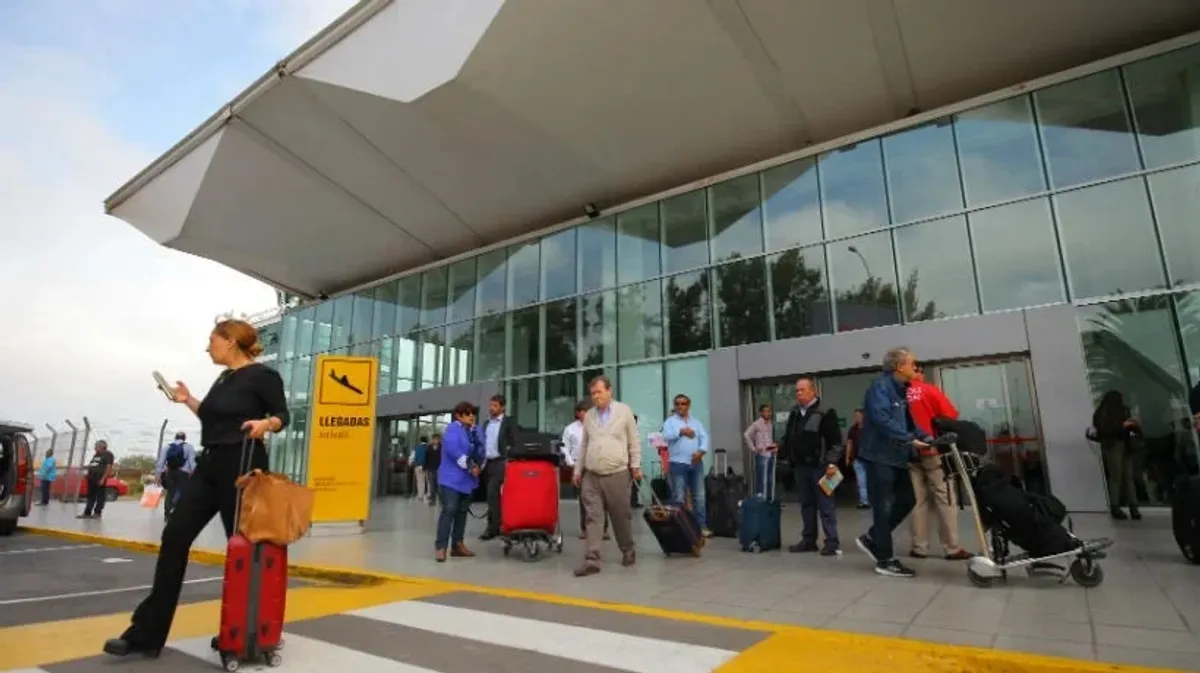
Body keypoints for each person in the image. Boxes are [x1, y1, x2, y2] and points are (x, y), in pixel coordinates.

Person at [103, 319, 288, 658]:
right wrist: (188, 400)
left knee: (244, 551)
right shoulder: (224, 378)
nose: (208, 347)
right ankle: (146, 634)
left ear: (231, 341)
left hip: (244, 466)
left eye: (212, 340)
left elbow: (282, 415)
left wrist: (266, 424)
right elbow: (213, 417)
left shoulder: (264, 376)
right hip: (210, 465)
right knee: (174, 537)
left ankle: (242, 634)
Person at [855, 346, 932, 579]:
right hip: (879, 457)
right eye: (912, 363)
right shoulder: (880, 387)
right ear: (899, 366)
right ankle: (885, 560)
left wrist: (926, 436)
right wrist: (910, 439)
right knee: (883, 506)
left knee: (908, 499)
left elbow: (908, 421)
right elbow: (881, 419)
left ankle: (872, 537)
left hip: (896, 457)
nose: (916, 368)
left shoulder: (902, 389)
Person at [572, 375, 641, 577]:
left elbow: (634, 441)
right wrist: (578, 470)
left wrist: (635, 465)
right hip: (592, 475)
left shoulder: (624, 411)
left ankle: (627, 549)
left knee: (620, 516)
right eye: (593, 393)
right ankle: (592, 559)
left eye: (599, 392)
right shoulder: (590, 416)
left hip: (617, 473)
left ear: (609, 391)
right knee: (593, 517)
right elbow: (584, 445)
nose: (596, 397)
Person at [905, 365, 972, 560]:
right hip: (933, 451)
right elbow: (950, 415)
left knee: (917, 501)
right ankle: (952, 547)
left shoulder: (899, 395)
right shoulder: (929, 390)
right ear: (920, 372)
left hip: (910, 452)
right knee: (945, 498)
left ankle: (919, 546)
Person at [781, 377, 844, 556]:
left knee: (826, 505)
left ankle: (832, 541)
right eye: (797, 391)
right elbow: (789, 436)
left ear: (813, 391)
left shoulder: (825, 411)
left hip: (821, 466)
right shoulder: (794, 413)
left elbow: (836, 441)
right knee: (806, 505)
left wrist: (832, 462)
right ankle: (809, 539)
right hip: (801, 467)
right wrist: (780, 448)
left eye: (802, 390)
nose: (799, 393)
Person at [435, 402, 482, 562]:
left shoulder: (472, 432)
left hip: (466, 481)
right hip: (450, 480)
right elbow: (453, 450)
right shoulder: (452, 430)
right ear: (458, 415)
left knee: (462, 513)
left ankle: (458, 545)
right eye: (467, 414)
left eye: (472, 413)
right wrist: (470, 466)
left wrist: (477, 437)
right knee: (449, 510)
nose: (471, 416)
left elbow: (479, 451)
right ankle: (441, 547)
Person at [661, 393, 711, 537]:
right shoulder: (670, 422)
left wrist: (701, 451)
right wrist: (681, 431)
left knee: (699, 496)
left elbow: (704, 437)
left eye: (683, 404)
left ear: (688, 406)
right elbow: (665, 436)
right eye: (677, 404)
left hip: (695, 463)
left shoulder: (696, 422)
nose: (680, 406)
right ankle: (682, 528)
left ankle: (701, 527)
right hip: (678, 464)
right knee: (679, 497)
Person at [562, 399, 609, 540]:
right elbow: (564, 447)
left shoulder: (600, 425)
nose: (587, 414)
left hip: (598, 464)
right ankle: (585, 528)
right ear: (578, 413)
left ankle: (604, 529)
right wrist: (571, 463)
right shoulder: (570, 429)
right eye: (584, 411)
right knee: (584, 498)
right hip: (580, 466)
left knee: (602, 497)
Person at [1093, 390, 1142, 521]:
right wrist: (1125, 426)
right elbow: (1107, 430)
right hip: (1119, 444)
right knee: (1123, 477)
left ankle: (1122, 506)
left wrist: (1133, 426)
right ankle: (1131, 507)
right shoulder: (1118, 412)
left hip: (1118, 445)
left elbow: (1101, 430)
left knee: (1120, 476)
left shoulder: (1102, 413)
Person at [479, 394, 517, 541]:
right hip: (488, 463)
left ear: (502, 407)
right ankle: (496, 525)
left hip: (502, 462)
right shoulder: (487, 423)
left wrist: (509, 457)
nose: (491, 408)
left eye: (495, 405)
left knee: (493, 493)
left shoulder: (509, 422)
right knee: (491, 497)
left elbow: (514, 441)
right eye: (491, 405)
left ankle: (494, 528)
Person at [155, 432, 196, 521]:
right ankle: (177, 511)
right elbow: (192, 463)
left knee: (169, 492)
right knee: (181, 492)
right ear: (185, 438)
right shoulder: (189, 447)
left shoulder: (167, 447)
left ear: (175, 438)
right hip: (183, 473)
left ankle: (167, 514)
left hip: (169, 472)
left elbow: (161, 462)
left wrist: (157, 476)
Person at [743, 403, 777, 498]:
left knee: (769, 479)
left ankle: (769, 498)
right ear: (761, 413)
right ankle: (760, 498)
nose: (768, 413)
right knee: (761, 479)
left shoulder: (770, 424)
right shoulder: (757, 424)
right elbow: (746, 434)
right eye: (766, 411)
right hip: (761, 455)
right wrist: (754, 448)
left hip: (770, 455)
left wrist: (773, 448)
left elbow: (769, 440)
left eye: (769, 411)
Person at [78, 440, 115, 519]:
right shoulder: (96, 455)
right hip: (91, 479)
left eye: (96, 446)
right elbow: (93, 465)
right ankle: (87, 513)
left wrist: (103, 479)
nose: (94, 447)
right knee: (90, 496)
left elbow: (108, 468)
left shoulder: (108, 454)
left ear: (101, 446)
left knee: (100, 496)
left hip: (100, 478)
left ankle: (97, 513)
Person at [845, 410, 869, 509]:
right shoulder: (853, 429)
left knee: (870, 481)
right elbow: (849, 444)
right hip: (857, 460)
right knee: (861, 482)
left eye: (859, 416)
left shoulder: (869, 429)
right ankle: (864, 501)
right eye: (856, 416)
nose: (857, 418)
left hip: (869, 459)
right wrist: (847, 457)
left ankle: (871, 500)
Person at [425, 433, 442, 507]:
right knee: (432, 486)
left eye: (437, 439)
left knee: (440, 486)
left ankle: (441, 501)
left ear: (439, 440)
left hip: (439, 469)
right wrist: (426, 467)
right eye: (434, 439)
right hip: (431, 469)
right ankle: (432, 500)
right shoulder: (429, 447)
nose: (435, 441)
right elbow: (427, 458)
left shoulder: (442, 447)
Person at [412, 435, 429, 503]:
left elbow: (412, 457)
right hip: (427, 466)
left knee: (420, 482)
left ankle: (420, 495)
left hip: (418, 466)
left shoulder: (416, 448)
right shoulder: (428, 448)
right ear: (427, 441)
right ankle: (429, 494)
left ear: (420, 441)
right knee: (429, 481)